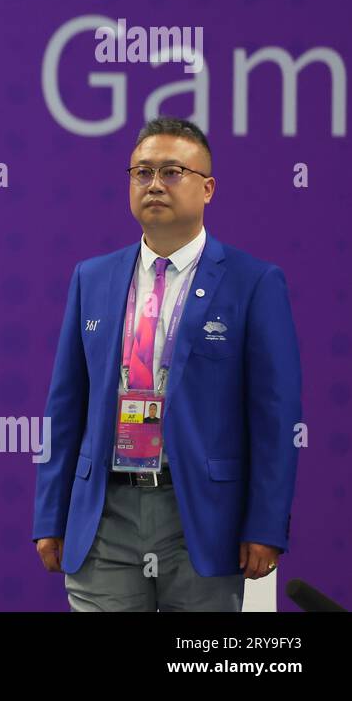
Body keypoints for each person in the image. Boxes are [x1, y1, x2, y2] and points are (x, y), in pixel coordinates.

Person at [32, 117, 301, 610]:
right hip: (104, 516)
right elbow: (65, 406)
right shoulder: (91, 278)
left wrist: (265, 524)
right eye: (142, 172)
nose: (154, 184)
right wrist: (50, 515)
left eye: (172, 171)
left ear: (208, 188)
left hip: (200, 516)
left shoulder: (254, 282)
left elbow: (275, 417)